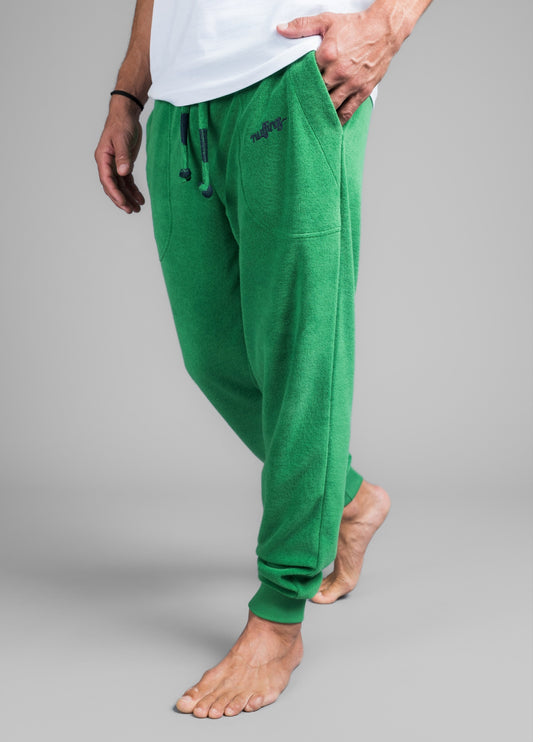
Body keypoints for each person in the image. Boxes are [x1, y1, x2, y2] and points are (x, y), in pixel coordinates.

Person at [95, 0, 433, 719]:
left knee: (301, 355)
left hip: (290, 72)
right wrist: (129, 94)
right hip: (181, 97)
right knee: (212, 353)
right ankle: (347, 498)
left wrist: (389, 22)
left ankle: (279, 616)